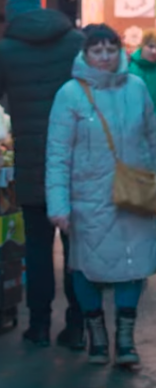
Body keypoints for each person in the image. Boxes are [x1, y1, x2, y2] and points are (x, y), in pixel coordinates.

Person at [45, 24, 156, 366]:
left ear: (120, 52)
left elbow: (151, 140)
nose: (104, 57)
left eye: (110, 50)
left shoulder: (137, 88)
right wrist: (58, 204)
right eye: (96, 51)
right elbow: (57, 155)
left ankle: (125, 339)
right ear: (85, 53)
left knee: (135, 264)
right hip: (89, 200)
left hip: (135, 197)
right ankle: (96, 334)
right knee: (85, 268)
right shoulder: (69, 94)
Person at [0, 0, 85, 348]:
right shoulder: (77, 43)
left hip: (31, 164)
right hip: (73, 166)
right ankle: (77, 328)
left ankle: (38, 326)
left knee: (36, 250)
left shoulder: (6, 50)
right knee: (75, 252)